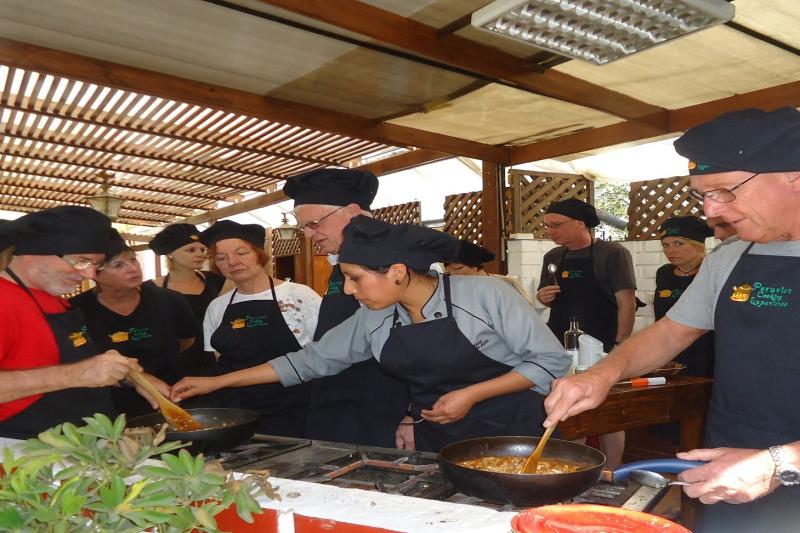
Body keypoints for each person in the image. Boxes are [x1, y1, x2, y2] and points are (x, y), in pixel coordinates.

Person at [544, 107, 800, 533]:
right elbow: (671, 332)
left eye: (725, 190)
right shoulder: (732, 257)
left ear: (794, 174)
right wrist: (604, 374)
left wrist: (781, 463)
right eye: (703, 194)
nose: (713, 211)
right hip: (729, 463)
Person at [171, 216, 571, 452]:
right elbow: (310, 362)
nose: (348, 290)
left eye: (354, 278)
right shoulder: (375, 317)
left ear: (397, 272)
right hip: (440, 439)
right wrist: (216, 381)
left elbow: (550, 361)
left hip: (516, 432)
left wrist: (472, 394)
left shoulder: (485, 294)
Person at [0, 207, 157, 438]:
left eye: (97, 265)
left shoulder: (53, 299)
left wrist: (124, 375)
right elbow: (73, 373)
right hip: (27, 453)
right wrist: (79, 373)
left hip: (82, 448)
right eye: (82, 261)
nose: (90, 275)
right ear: (32, 252)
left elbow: (54, 364)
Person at [282, 168, 410, 447]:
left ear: (352, 211)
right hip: (335, 404)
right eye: (303, 227)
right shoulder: (338, 265)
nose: (308, 234)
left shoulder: (408, 263)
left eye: (314, 223)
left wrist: (413, 414)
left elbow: (433, 351)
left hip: (386, 408)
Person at [536, 197, 637, 468]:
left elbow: (626, 302)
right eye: (547, 226)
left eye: (556, 225)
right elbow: (547, 298)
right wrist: (543, 296)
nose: (550, 231)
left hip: (602, 343)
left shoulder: (612, 253)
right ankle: (574, 471)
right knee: (566, 411)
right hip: (561, 343)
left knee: (608, 416)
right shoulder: (553, 257)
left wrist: (620, 346)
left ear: (580, 224)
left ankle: (611, 473)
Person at [199, 220, 321, 437]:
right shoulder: (217, 307)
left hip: (292, 415)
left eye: (241, 253)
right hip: (236, 417)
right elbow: (219, 360)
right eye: (221, 258)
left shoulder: (299, 296)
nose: (232, 262)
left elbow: (320, 357)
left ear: (259, 254)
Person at [70, 230, 198, 417]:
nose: (132, 269)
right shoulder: (76, 310)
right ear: (93, 274)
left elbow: (186, 341)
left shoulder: (170, 300)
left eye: (133, 260)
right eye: (118, 265)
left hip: (169, 396)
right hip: (106, 406)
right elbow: (78, 362)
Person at [149, 223, 228, 375]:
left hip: (209, 362)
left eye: (202, 249)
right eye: (191, 250)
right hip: (168, 364)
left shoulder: (217, 282)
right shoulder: (151, 289)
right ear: (170, 253)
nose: (200, 254)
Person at [654, 216, 715, 378]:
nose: (670, 251)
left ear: (698, 246)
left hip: (708, 358)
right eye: (665, 245)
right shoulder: (663, 273)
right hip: (670, 359)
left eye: (678, 244)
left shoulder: (713, 271)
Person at [444, 239, 534, 305]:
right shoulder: (451, 288)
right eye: (448, 272)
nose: (452, 274)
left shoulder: (507, 283)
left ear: (475, 266)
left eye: (457, 268)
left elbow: (527, 311)